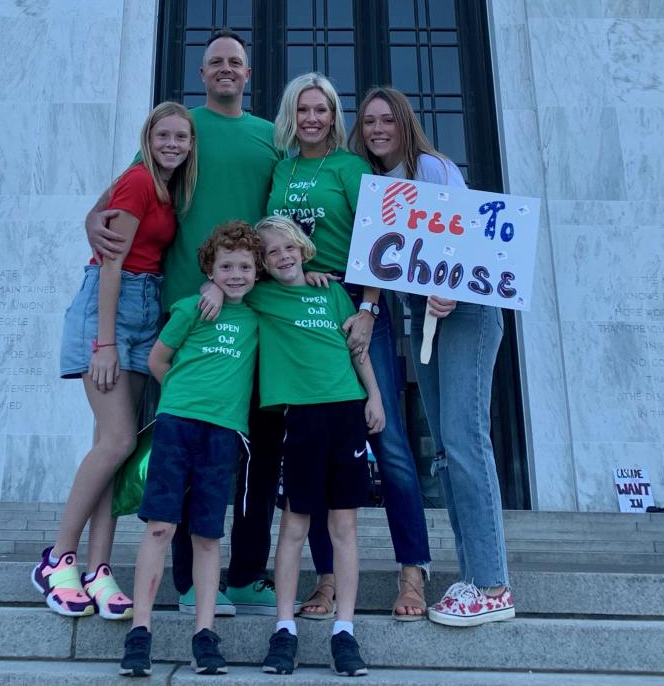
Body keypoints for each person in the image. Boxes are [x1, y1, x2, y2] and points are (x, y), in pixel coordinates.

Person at [85, 31, 282, 615]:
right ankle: (192, 583)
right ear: (203, 73)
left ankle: (245, 573)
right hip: (186, 315)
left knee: (254, 453)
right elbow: (125, 188)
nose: (226, 70)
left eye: (236, 63)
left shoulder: (271, 137)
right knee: (186, 449)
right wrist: (92, 216)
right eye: (216, 62)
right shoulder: (183, 131)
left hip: (253, 319)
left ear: (249, 75)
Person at [266, 73, 432, 621]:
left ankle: (413, 572)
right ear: (292, 114)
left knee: (387, 440)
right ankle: (327, 581)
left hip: (355, 306)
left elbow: (378, 241)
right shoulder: (282, 168)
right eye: (304, 109)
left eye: (323, 109)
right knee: (314, 444)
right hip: (299, 314)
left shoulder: (352, 168)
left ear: (335, 117)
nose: (313, 118)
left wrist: (367, 307)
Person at [351, 87, 515, 627]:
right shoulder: (379, 186)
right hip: (423, 318)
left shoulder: (432, 169)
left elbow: (468, 236)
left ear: (404, 122)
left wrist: (454, 284)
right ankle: (472, 577)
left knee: (466, 438)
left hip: (465, 309)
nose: (377, 129)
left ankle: (492, 584)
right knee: (445, 448)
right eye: (369, 121)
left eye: (386, 120)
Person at [32, 104, 197, 620]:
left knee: (114, 447)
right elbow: (111, 263)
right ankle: (58, 558)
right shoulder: (139, 181)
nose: (173, 143)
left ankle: (99, 570)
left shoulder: (168, 188)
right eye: (164, 134)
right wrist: (105, 344)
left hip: (143, 311)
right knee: (118, 440)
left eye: (181, 137)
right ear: (148, 138)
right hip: (111, 310)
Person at [119, 222, 262, 678]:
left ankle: (204, 635)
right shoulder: (190, 309)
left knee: (207, 535)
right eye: (226, 267)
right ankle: (140, 631)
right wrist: (181, 396)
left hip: (224, 434)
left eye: (244, 266)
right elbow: (156, 359)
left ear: (257, 271)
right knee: (160, 527)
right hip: (178, 426)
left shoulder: (257, 317)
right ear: (210, 269)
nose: (235, 274)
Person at [250, 216, 383, 678]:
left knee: (344, 526)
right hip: (301, 418)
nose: (282, 257)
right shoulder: (260, 296)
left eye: (288, 247)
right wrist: (211, 289)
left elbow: (355, 348)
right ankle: (284, 628)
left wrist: (376, 396)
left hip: (347, 411)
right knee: (294, 525)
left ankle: (344, 631)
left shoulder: (329, 290)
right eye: (271, 253)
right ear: (262, 264)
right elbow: (228, 283)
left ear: (302, 248)